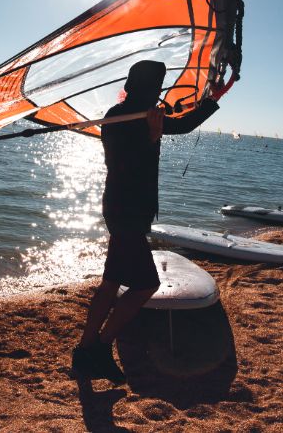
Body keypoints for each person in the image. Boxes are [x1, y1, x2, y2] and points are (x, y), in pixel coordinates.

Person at [71, 60, 229, 384]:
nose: (160, 94)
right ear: (148, 87)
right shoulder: (124, 118)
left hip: (123, 209)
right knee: (146, 285)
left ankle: (85, 349)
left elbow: (183, 123)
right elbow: (124, 164)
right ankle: (99, 347)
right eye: (158, 87)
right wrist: (153, 136)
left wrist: (213, 96)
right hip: (125, 211)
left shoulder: (136, 112)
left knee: (111, 282)